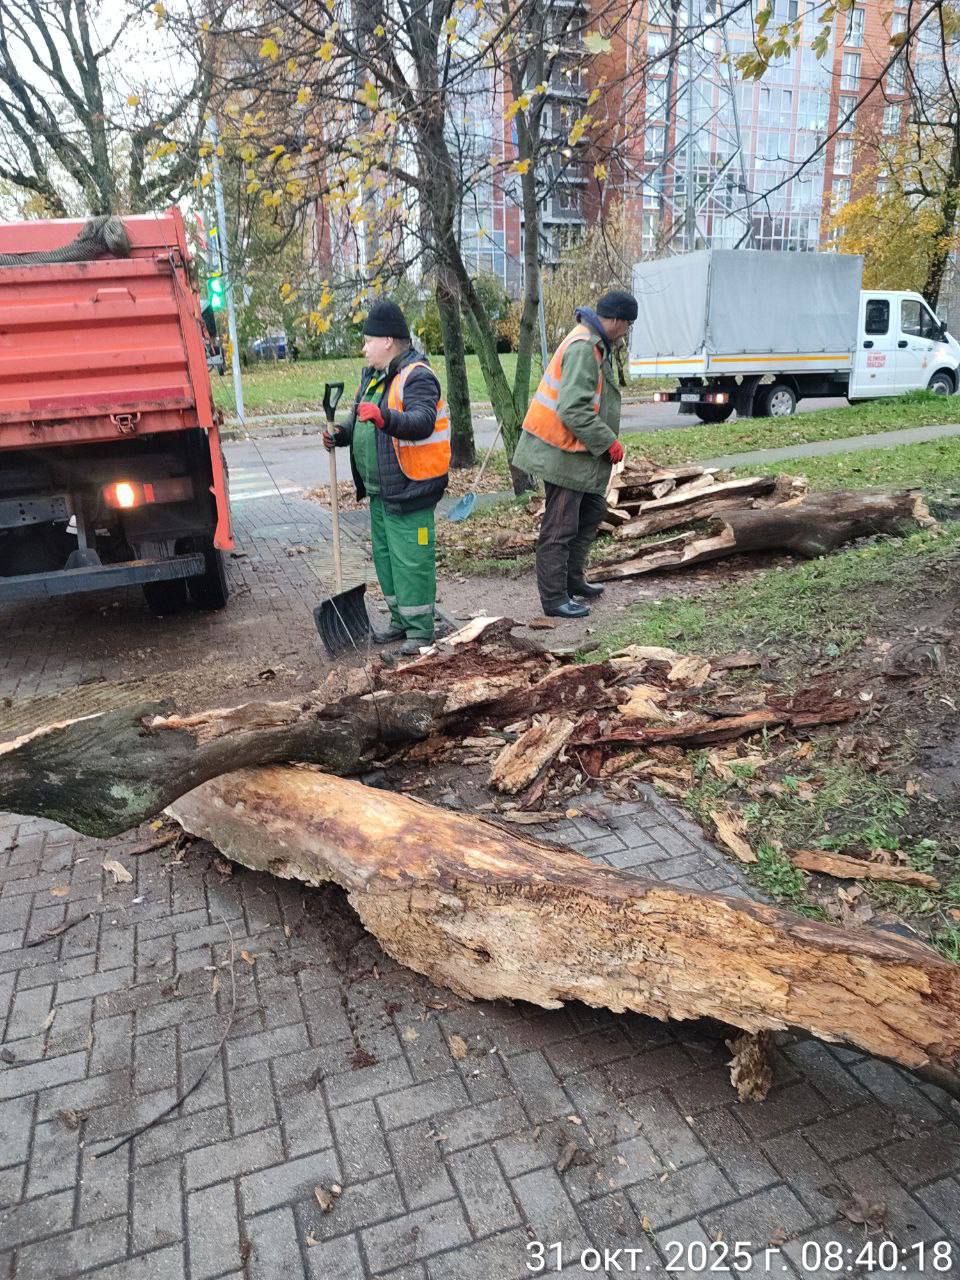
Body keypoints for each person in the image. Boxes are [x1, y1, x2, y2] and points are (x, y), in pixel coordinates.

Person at [323, 301, 450, 655]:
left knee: (412, 561)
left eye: (368, 341)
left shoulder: (418, 375)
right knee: (386, 560)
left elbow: (421, 421)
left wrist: (384, 418)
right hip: (381, 491)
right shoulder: (373, 376)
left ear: (389, 341)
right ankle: (399, 622)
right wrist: (340, 433)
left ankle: (420, 631)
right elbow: (358, 419)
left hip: (412, 489)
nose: (364, 348)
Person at [513, 289, 638, 619]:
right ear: (614, 320)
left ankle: (572, 580)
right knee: (560, 526)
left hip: (573, 450)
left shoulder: (595, 343)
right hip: (561, 451)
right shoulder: (585, 346)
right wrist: (607, 441)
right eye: (627, 324)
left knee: (592, 510)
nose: (627, 331)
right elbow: (573, 408)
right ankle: (554, 599)